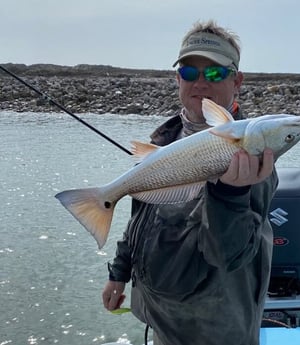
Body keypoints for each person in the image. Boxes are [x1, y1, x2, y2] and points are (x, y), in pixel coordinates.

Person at [102, 19, 278, 345]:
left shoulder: (253, 159)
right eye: (188, 72)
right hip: (161, 320)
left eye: (214, 73)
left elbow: (230, 257)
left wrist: (230, 194)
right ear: (177, 79)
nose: (200, 82)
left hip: (214, 332)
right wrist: (119, 274)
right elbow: (141, 218)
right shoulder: (165, 140)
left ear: (237, 81)